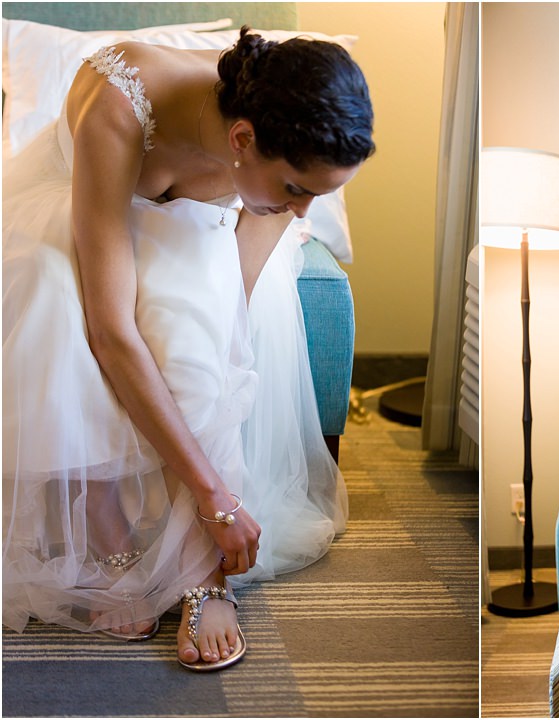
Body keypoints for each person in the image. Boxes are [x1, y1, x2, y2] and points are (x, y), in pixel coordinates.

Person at [2, 27, 374, 670]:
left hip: (188, 231)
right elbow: (110, 330)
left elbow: (235, 309)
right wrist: (216, 499)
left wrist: (214, 494)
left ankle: (206, 577)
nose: (304, 212)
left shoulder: (293, 141)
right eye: (295, 190)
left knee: (199, 349)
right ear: (240, 140)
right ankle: (108, 531)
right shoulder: (122, 102)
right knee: (50, 302)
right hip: (79, 211)